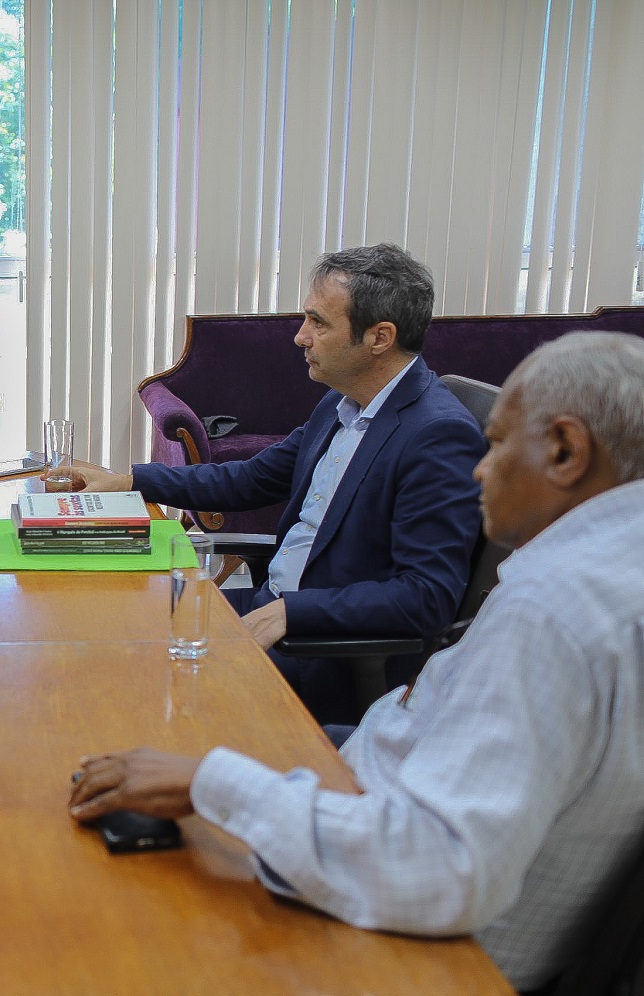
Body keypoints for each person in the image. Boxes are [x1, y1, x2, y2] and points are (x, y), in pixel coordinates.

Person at [69, 332, 644, 993]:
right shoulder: (613, 567)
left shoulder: (554, 613)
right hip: (379, 789)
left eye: (498, 444)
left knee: (114, 921)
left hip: (407, 944)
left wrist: (213, 784)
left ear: (566, 450)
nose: (480, 470)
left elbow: (436, 868)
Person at [77, 244, 485, 723]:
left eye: (318, 322)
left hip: (320, 650)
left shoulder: (437, 435)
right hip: (269, 607)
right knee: (100, 625)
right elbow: (250, 479)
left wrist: (295, 612)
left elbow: (425, 596)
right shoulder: (343, 402)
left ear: (379, 337)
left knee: (115, 687)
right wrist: (130, 481)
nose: (300, 337)